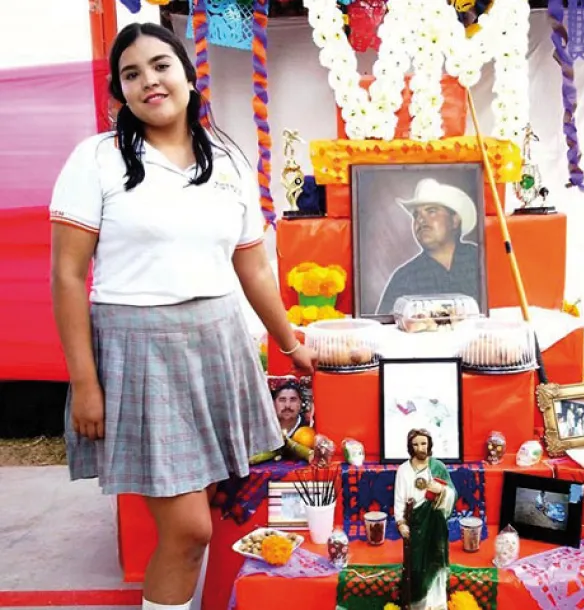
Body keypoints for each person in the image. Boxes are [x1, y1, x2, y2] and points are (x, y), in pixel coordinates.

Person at [49, 23, 315, 610]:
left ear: (189, 78)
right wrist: (86, 384)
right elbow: (68, 277)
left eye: (161, 65)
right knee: (189, 529)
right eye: (132, 73)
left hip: (218, 343)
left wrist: (290, 341)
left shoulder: (227, 163)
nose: (149, 80)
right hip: (137, 353)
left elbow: (254, 270)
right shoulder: (96, 159)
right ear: (120, 93)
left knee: (206, 519)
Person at [376, 179, 480, 315]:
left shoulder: (477, 259)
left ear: (454, 221)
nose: (420, 220)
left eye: (431, 211)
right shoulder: (404, 278)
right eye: (416, 215)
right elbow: (384, 326)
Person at [394, 428, 456, 610]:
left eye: (423, 443)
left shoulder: (438, 468)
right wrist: (401, 522)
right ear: (410, 447)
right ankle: (418, 604)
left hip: (435, 525)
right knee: (416, 569)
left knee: (436, 562)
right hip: (416, 524)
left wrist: (442, 491)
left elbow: (452, 493)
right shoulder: (403, 470)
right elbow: (398, 500)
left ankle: (436, 604)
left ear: (429, 444)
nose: (420, 448)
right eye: (415, 444)